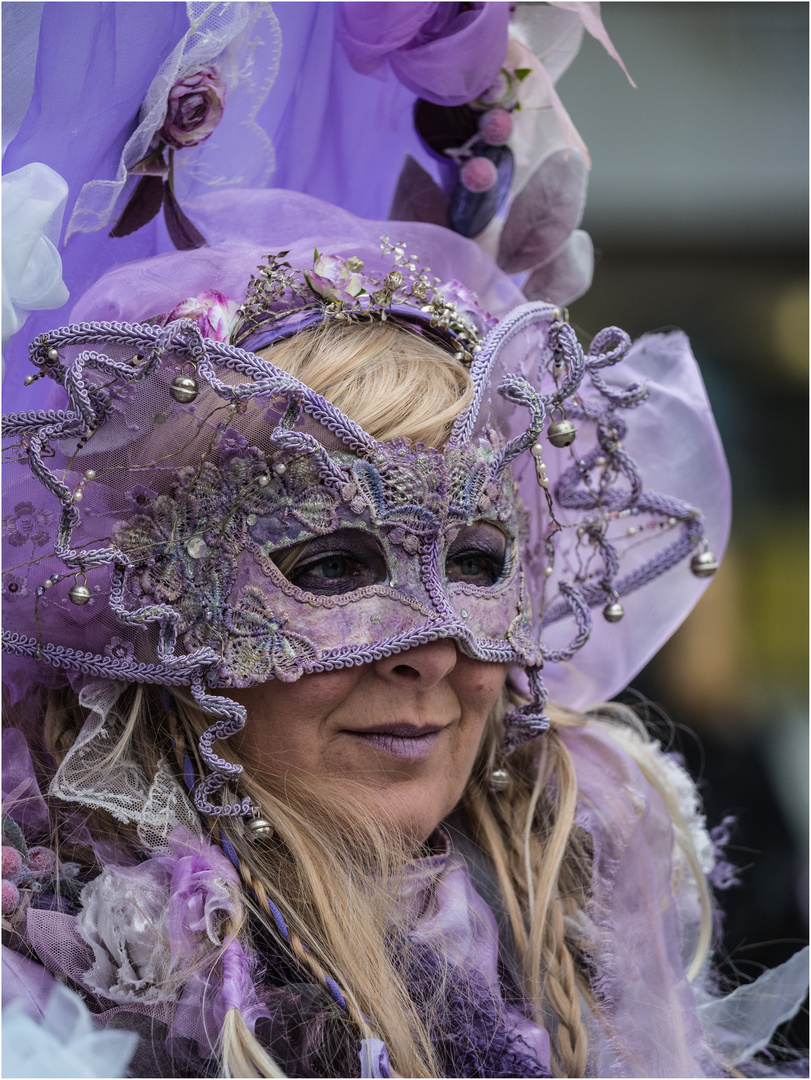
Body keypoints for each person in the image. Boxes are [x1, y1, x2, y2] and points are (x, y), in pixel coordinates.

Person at [2, 6, 806, 1079]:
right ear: (158, 612)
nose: (432, 649)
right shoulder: (64, 984)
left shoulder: (576, 927)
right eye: (332, 564)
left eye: (477, 563)